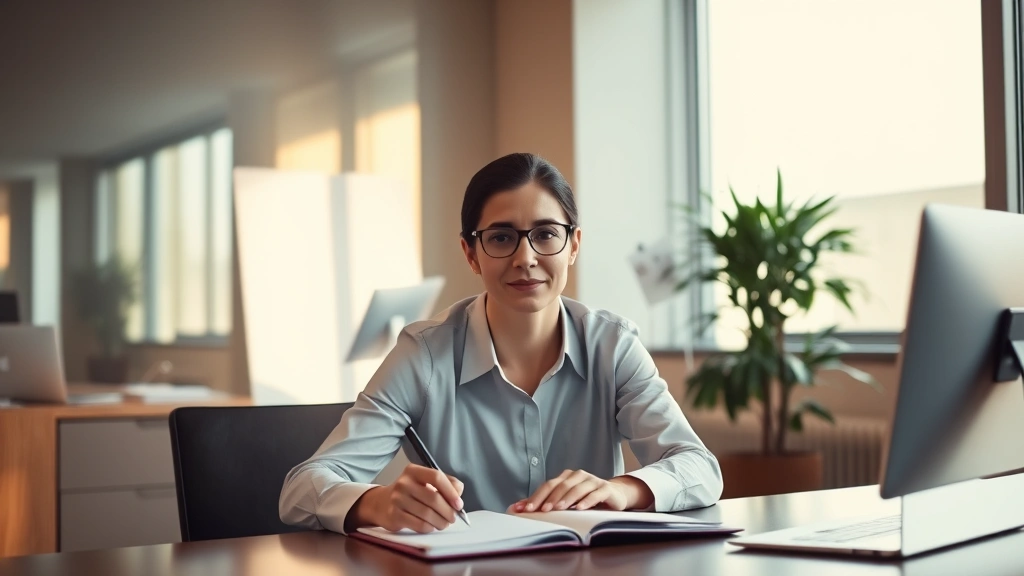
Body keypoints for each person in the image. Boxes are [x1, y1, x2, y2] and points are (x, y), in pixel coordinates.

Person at [279, 152, 723, 535]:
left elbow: (699, 466)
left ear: (573, 245)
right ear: (471, 253)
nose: (525, 258)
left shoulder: (613, 346)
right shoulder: (424, 354)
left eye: (547, 234)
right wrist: (378, 503)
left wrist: (621, 491)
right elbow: (302, 488)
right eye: (501, 238)